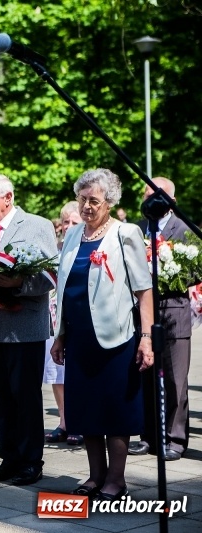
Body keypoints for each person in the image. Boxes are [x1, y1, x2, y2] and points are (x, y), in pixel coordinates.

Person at [51, 168, 154, 500]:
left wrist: (147, 337)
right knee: (85, 410)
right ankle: (95, 476)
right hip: (79, 339)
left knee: (114, 410)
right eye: (82, 200)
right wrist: (60, 334)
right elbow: (65, 286)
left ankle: (116, 479)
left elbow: (143, 290)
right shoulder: (72, 235)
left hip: (117, 339)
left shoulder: (126, 233)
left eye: (93, 200)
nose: (86, 207)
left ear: (109, 202)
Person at [0, 172, 58, 486]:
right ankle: (8, 458)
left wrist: (18, 282)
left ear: (8, 198)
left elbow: (50, 274)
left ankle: (30, 461)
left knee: (25, 396)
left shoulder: (37, 226)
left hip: (23, 326)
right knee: (0, 396)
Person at [129, 177, 194, 461]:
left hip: (174, 312)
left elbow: (195, 269)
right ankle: (148, 436)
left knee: (176, 380)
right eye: (146, 193)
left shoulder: (185, 229)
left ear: (171, 200)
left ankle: (175, 438)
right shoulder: (138, 228)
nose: (149, 198)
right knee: (146, 375)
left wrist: (168, 274)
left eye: (155, 194)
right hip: (143, 315)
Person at [44, 201, 83, 446]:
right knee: (57, 374)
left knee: (76, 372)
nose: (68, 226)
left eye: (74, 222)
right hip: (53, 318)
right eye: (65, 222)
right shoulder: (54, 249)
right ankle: (64, 421)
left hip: (77, 319)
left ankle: (81, 423)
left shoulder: (86, 247)